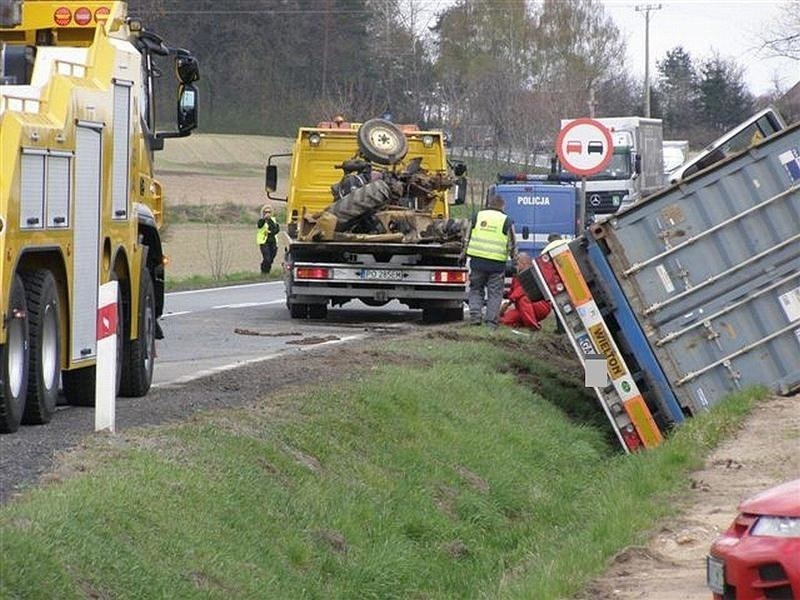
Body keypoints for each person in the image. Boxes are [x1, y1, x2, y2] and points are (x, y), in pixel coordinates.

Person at [464, 195, 516, 328]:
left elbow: (467, 237)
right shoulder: (506, 220)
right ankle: (491, 322)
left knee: (476, 289)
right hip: (497, 264)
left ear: (488, 204)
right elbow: (512, 243)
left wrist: (463, 253)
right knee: (495, 293)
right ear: (502, 206)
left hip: (477, 261)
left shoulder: (477, 216)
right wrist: (514, 260)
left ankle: (475, 316)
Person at [499, 252, 552, 330]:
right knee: (505, 320)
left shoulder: (532, 273)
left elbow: (523, 290)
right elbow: (513, 292)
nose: (515, 266)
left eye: (517, 263)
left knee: (523, 299)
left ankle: (533, 325)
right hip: (523, 308)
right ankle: (525, 322)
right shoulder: (517, 275)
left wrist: (508, 302)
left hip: (540, 306)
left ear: (524, 263)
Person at [256, 204, 280, 274]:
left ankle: (267, 272)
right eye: (266, 212)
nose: (267, 213)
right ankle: (264, 271)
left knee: (271, 259)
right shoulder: (261, 220)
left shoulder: (273, 221)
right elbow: (259, 226)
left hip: (273, 242)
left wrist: (269, 220)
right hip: (264, 242)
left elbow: (276, 229)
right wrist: (264, 219)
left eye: (269, 212)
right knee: (267, 258)